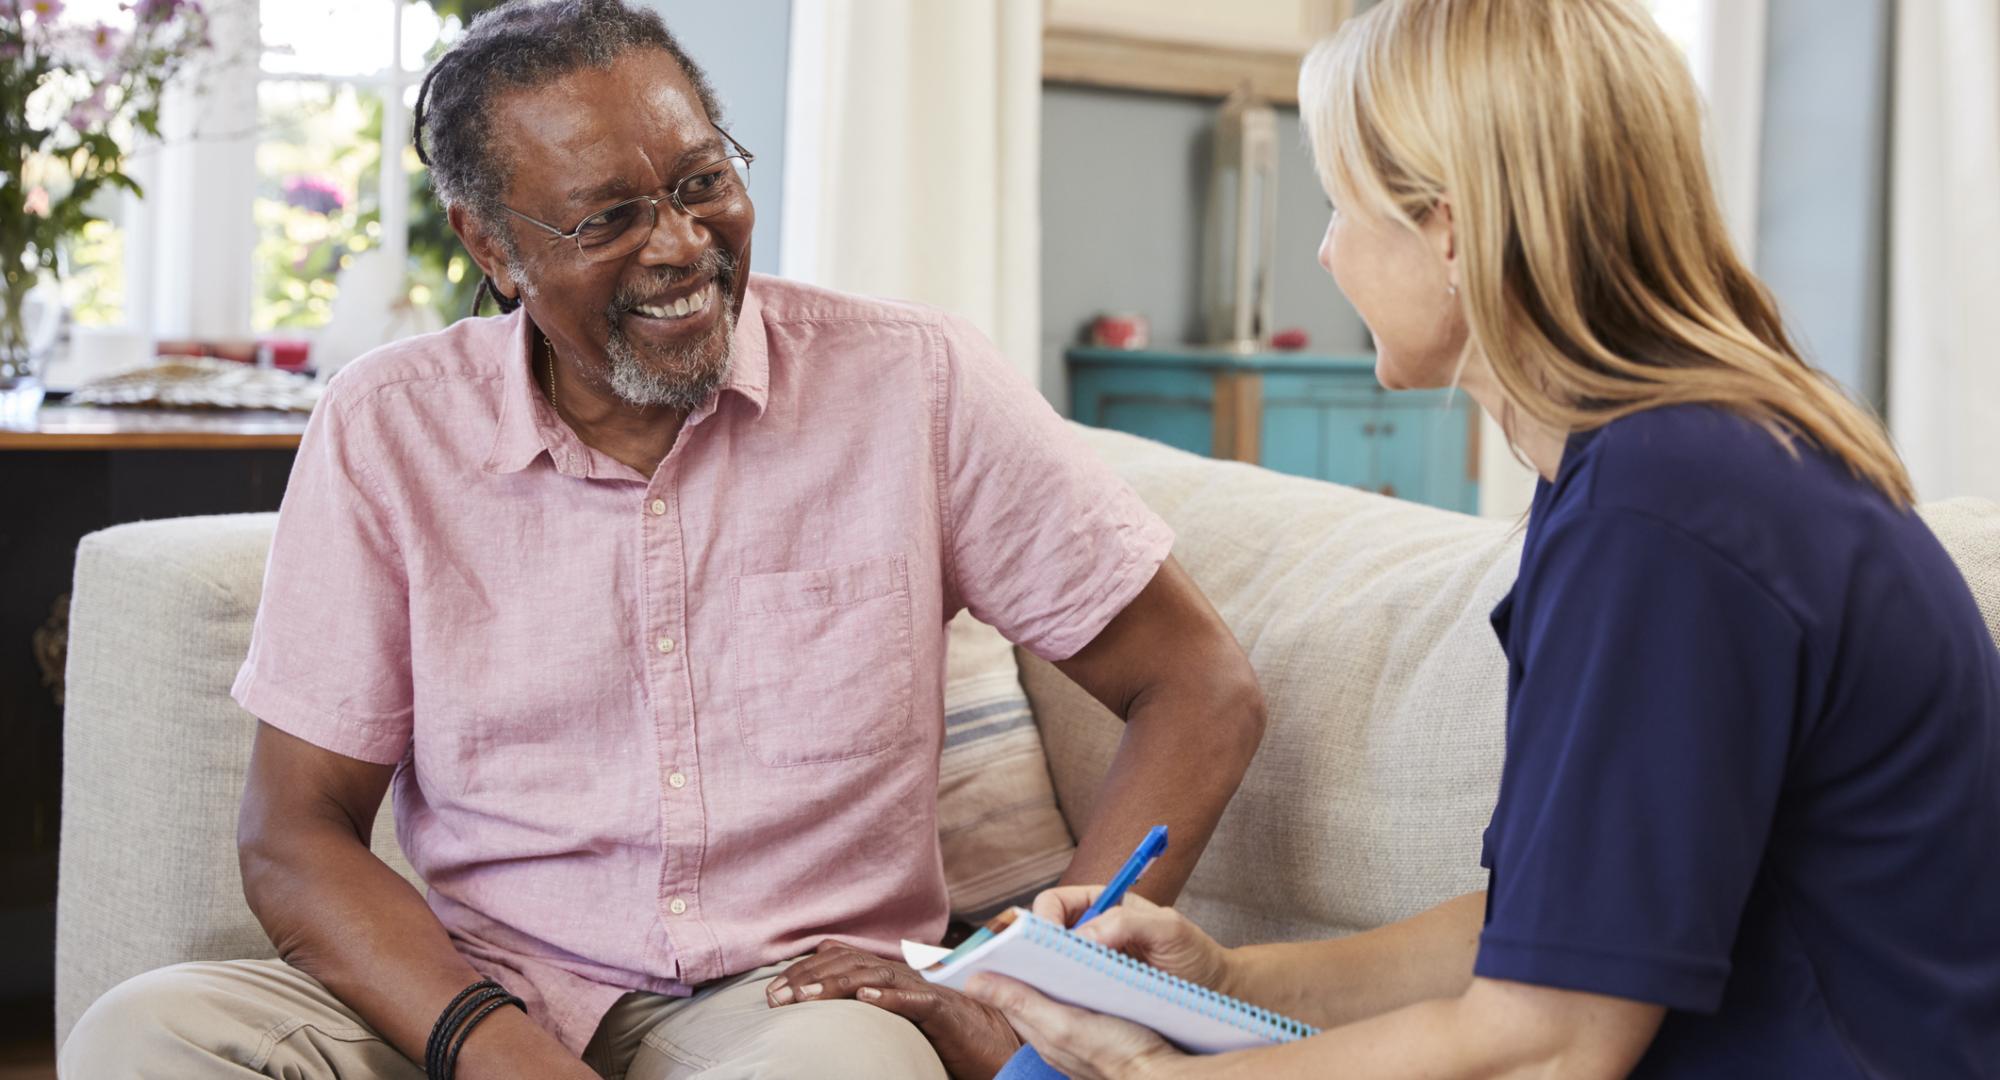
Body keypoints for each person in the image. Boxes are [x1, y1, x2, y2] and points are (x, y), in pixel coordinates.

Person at [58, 2, 1267, 1078]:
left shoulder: (915, 382)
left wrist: (1023, 979)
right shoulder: (387, 429)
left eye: (700, 182)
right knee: (148, 1033)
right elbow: (293, 833)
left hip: (791, 1002)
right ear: (492, 247)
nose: (684, 245)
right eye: (608, 218)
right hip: (479, 995)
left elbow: (1195, 684)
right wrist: (498, 1052)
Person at [969, 1, 2000, 1077]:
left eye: (1340, 205)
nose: (1324, 253)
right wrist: (1226, 980)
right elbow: (1547, 936)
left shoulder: (1666, 517)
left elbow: (1548, 1048)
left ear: (1448, 229)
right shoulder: (1656, 473)